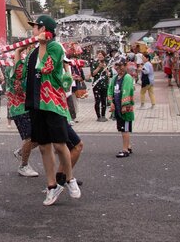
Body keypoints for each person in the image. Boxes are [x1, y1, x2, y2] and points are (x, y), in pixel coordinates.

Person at [24, 15, 81, 206]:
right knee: (43, 146)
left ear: (44, 29)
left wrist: (42, 44)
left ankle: (69, 178)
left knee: (60, 144)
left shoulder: (55, 47)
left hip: (53, 103)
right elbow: (24, 74)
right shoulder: (33, 51)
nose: (33, 30)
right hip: (36, 103)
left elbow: (44, 68)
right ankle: (51, 186)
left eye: (35, 27)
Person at [7, 45, 39, 177]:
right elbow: (18, 52)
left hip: (28, 108)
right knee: (29, 137)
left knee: (40, 137)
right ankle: (23, 165)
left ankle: (21, 152)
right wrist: (21, 48)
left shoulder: (26, 71)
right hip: (19, 109)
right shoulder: (16, 71)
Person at [108, 57, 135, 158]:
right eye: (116, 65)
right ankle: (128, 145)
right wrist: (111, 102)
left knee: (125, 129)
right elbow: (110, 90)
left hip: (125, 108)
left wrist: (125, 105)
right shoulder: (115, 78)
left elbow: (126, 91)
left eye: (120, 66)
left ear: (125, 66)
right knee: (122, 128)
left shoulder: (127, 77)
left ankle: (125, 150)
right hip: (118, 107)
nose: (118, 68)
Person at [90, 50, 110, 122]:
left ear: (104, 56)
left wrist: (105, 68)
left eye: (101, 55)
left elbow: (109, 75)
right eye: (98, 55)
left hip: (104, 85)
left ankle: (103, 115)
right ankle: (98, 116)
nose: (100, 56)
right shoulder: (94, 63)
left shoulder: (107, 63)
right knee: (97, 101)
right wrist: (98, 67)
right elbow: (93, 74)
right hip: (96, 85)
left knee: (104, 100)